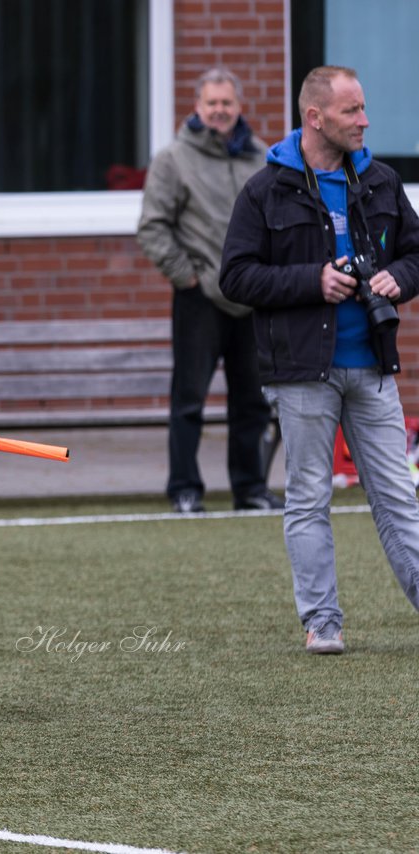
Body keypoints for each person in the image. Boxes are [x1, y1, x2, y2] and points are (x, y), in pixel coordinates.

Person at [220, 66, 419, 654]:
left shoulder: (382, 180)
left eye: (362, 108)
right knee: (309, 497)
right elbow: (235, 276)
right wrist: (314, 280)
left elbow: (415, 253)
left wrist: (395, 279)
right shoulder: (266, 188)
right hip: (303, 371)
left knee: (398, 496)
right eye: (351, 111)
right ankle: (322, 624)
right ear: (315, 117)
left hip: (374, 366)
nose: (364, 120)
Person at [137, 67, 282, 515]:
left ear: (239, 107)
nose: (219, 111)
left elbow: (276, 223)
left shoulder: (263, 158)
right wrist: (189, 278)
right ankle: (184, 489)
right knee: (188, 401)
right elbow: (152, 228)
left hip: (252, 299)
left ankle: (251, 489)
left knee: (252, 404)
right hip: (199, 298)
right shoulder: (174, 159)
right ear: (198, 107)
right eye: (211, 103)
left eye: (227, 103)